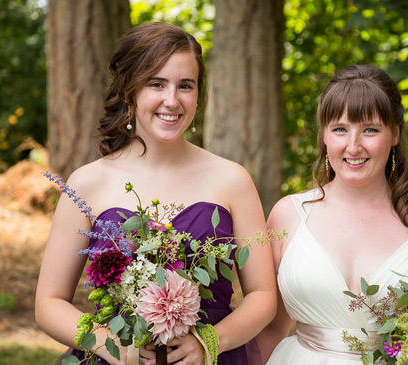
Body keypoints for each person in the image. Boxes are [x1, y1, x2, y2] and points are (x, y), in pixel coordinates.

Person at [35, 22, 278, 364]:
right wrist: (111, 345)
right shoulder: (87, 183)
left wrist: (209, 343)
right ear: (130, 90)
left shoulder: (233, 180)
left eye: (186, 86)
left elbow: (264, 296)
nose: (172, 100)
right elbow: (49, 302)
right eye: (156, 83)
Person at [255, 65, 408, 364]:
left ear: (395, 133)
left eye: (370, 129)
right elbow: (270, 329)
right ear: (324, 136)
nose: (353, 146)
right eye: (340, 129)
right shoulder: (287, 216)